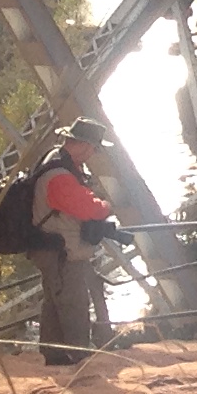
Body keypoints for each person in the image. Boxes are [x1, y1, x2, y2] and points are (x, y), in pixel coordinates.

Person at [26, 120, 127, 365]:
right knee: (75, 305)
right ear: (83, 145)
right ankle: (81, 362)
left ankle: (54, 357)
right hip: (63, 251)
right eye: (95, 148)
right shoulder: (60, 176)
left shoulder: (55, 161)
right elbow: (89, 209)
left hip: (51, 249)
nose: (95, 153)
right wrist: (105, 206)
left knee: (54, 303)